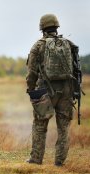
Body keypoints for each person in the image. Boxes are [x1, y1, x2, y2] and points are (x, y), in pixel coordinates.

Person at [25, 14, 79, 166]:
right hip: (67, 91)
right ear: (57, 27)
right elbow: (76, 69)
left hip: (45, 90)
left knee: (40, 124)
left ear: (42, 28)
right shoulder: (67, 43)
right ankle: (59, 162)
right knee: (64, 127)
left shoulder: (38, 45)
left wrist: (31, 90)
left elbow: (32, 73)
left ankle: (36, 160)